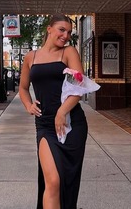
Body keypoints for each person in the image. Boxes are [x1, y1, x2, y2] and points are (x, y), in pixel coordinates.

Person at [19, 14, 87, 209]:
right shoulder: (31, 57)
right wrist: (28, 105)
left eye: (69, 32)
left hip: (72, 123)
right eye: (61, 30)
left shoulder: (69, 53)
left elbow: (79, 87)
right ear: (49, 29)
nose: (66, 35)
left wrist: (62, 111)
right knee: (53, 181)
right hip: (45, 125)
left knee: (67, 180)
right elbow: (23, 88)